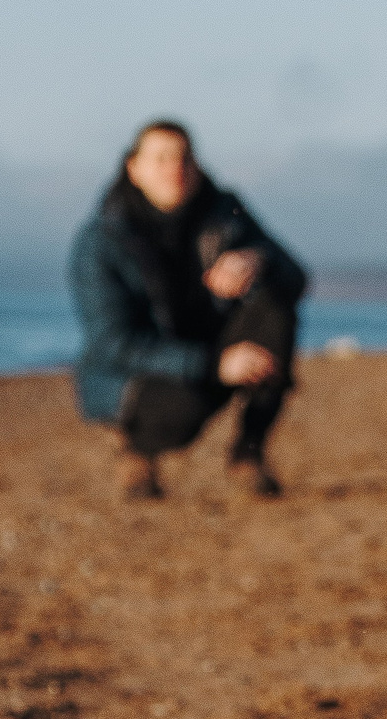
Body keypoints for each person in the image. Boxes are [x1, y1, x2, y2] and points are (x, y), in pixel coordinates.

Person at [68, 120, 308, 500]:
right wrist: (214, 365)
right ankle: (136, 451)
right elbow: (113, 343)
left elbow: (297, 276)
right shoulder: (100, 242)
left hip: (212, 345)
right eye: (161, 158)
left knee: (275, 305)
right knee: (186, 409)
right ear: (134, 168)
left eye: (183, 158)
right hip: (134, 377)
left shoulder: (224, 211)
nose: (174, 169)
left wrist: (257, 260)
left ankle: (248, 454)